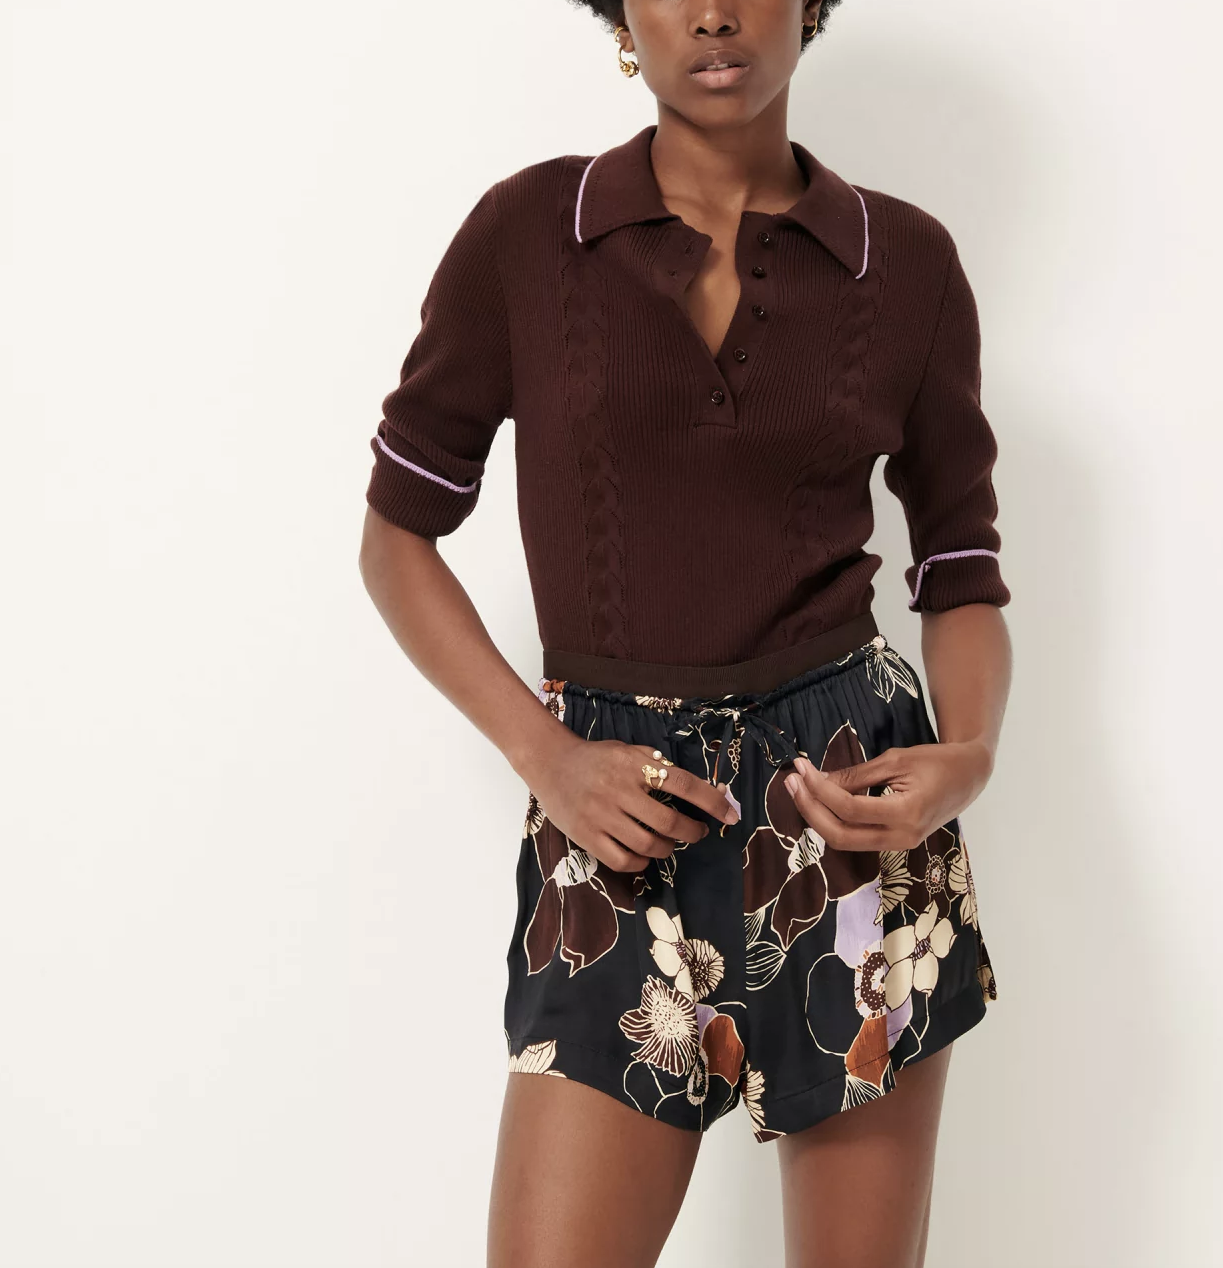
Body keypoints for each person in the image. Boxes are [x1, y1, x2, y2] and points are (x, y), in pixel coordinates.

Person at [358, 3, 1013, 1265]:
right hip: (612, 818)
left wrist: (968, 753)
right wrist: (546, 755)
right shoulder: (529, 235)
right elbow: (395, 538)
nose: (711, 10)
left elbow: (959, 566)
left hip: (848, 825)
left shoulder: (906, 263)